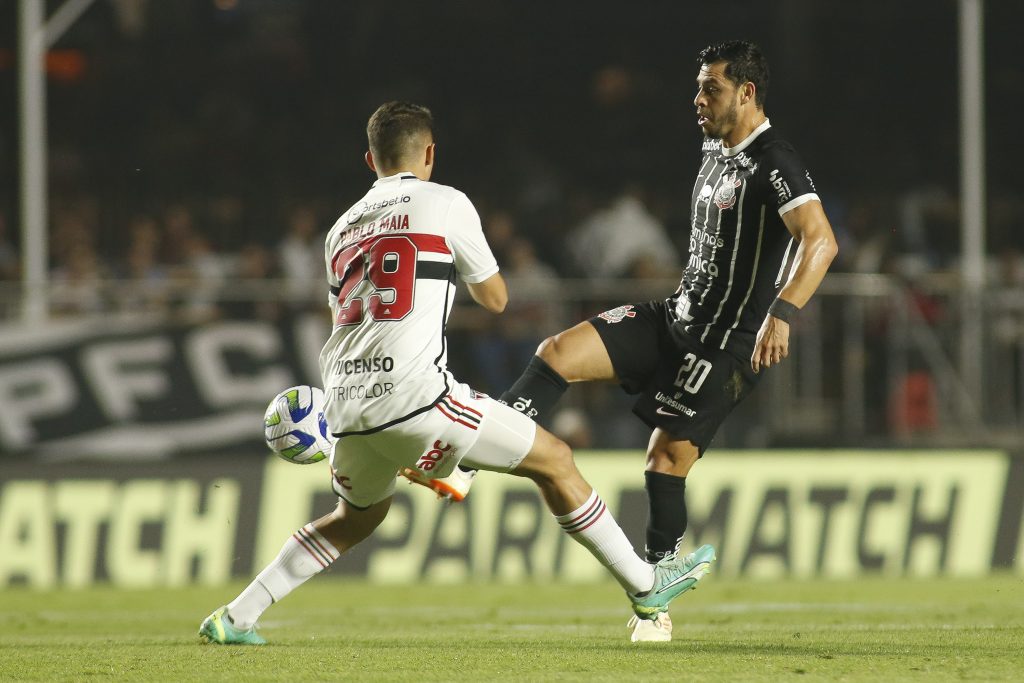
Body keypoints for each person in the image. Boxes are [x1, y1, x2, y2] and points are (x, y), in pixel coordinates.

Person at [198, 101, 715, 645]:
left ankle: (236, 617)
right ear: (429, 153)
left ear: (369, 160)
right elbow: (494, 299)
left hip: (345, 404)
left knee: (353, 520)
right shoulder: (445, 202)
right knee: (557, 462)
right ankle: (644, 583)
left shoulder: (339, 230)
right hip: (419, 395)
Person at [415, 40, 839, 642]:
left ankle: (655, 604)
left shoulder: (777, 161)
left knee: (664, 462)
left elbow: (820, 239)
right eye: (697, 87)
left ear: (747, 93)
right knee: (555, 353)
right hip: (673, 318)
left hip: (723, 345)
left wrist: (785, 312)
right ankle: (467, 464)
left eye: (710, 89)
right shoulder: (715, 149)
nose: (698, 100)